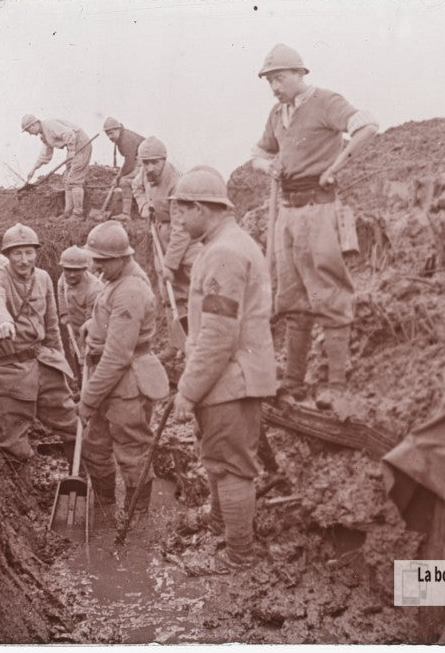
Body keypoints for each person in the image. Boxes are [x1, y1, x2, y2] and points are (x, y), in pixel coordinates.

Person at [250, 43, 378, 410]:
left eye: (280, 78)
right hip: (288, 214)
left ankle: (337, 385)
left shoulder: (326, 102)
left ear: (300, 74)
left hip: (319, 211)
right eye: (270, 80)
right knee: (291, 296)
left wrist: (335, 167)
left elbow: (367, 125)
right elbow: (258, 154)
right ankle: (293, 381)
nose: (275, 86)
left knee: (329, 293)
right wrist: (267, 167)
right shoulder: (278, 114)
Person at [171, 166, 279, 568]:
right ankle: (221, 527)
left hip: (229, 379)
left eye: (183, 211)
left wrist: (187, 390)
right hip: (232, 378)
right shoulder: (229, 245)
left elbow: (218, 335)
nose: (179, 221)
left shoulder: (222, 254)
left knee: (231, 467)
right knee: (218, 457)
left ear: (201, 208)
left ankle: (238, 557)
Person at [76, 221, 170, 519]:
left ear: (122, 257)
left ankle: (137, 519)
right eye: (96, 260)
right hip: (112, 380)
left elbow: (118, 356)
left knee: (132, 451)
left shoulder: (131, 289)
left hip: (127, 382)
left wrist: (87, 400)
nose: (96, 267)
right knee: (94, 448)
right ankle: (105, 511)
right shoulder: (118, 279)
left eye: (102, 261)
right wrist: (92, 326)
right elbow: (111, 319)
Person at [0, 224, 76, 461]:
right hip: (7, 370)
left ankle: (84, 478)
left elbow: (52, 325)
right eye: (17, 253)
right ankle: (24, 493)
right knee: (13, 443)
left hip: (42, 362)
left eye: (29, 253)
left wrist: (60, 364)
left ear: (36, 253)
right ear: (8, 255)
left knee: (72, 425)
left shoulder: (42, 278)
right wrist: (2, 320)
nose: (24, 260)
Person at [131, 136, 196, 316]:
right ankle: (174, 333)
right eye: (145, 163)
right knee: (165, 285)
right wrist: (144, 205)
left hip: (183, 236)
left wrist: (171, 264)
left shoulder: (177, 184)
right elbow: (136, 187)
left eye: (154, 162)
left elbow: (181, 230)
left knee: (184, 281)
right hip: (159, 230)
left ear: (164, 160)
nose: (149, 168)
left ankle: (193, 326)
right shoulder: (145, 173)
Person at [21, 115, 94, 219]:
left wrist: (71, 150)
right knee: (67, 179)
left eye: (28, 131)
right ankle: (67, 213)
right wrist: (34, 169)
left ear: (33, 125)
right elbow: (46, 154)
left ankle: (78, 214)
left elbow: (69, 134)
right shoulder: (43, 136)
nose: (30, 134)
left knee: (74, 179)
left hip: (81, 144)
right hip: (73, 147)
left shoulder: (49, 124)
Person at [103, 117, 145, 219]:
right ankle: (126, 214)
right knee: (124, 180)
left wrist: (118, 177)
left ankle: (126, 214)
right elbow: (129, 161)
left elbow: (130, 163)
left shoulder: (126, 139)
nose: (109, 136)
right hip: (140, 159)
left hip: (146, 160)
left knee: (124, 181)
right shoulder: (121, 137)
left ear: (118, 129)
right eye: (107, 134)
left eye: (111, 133)